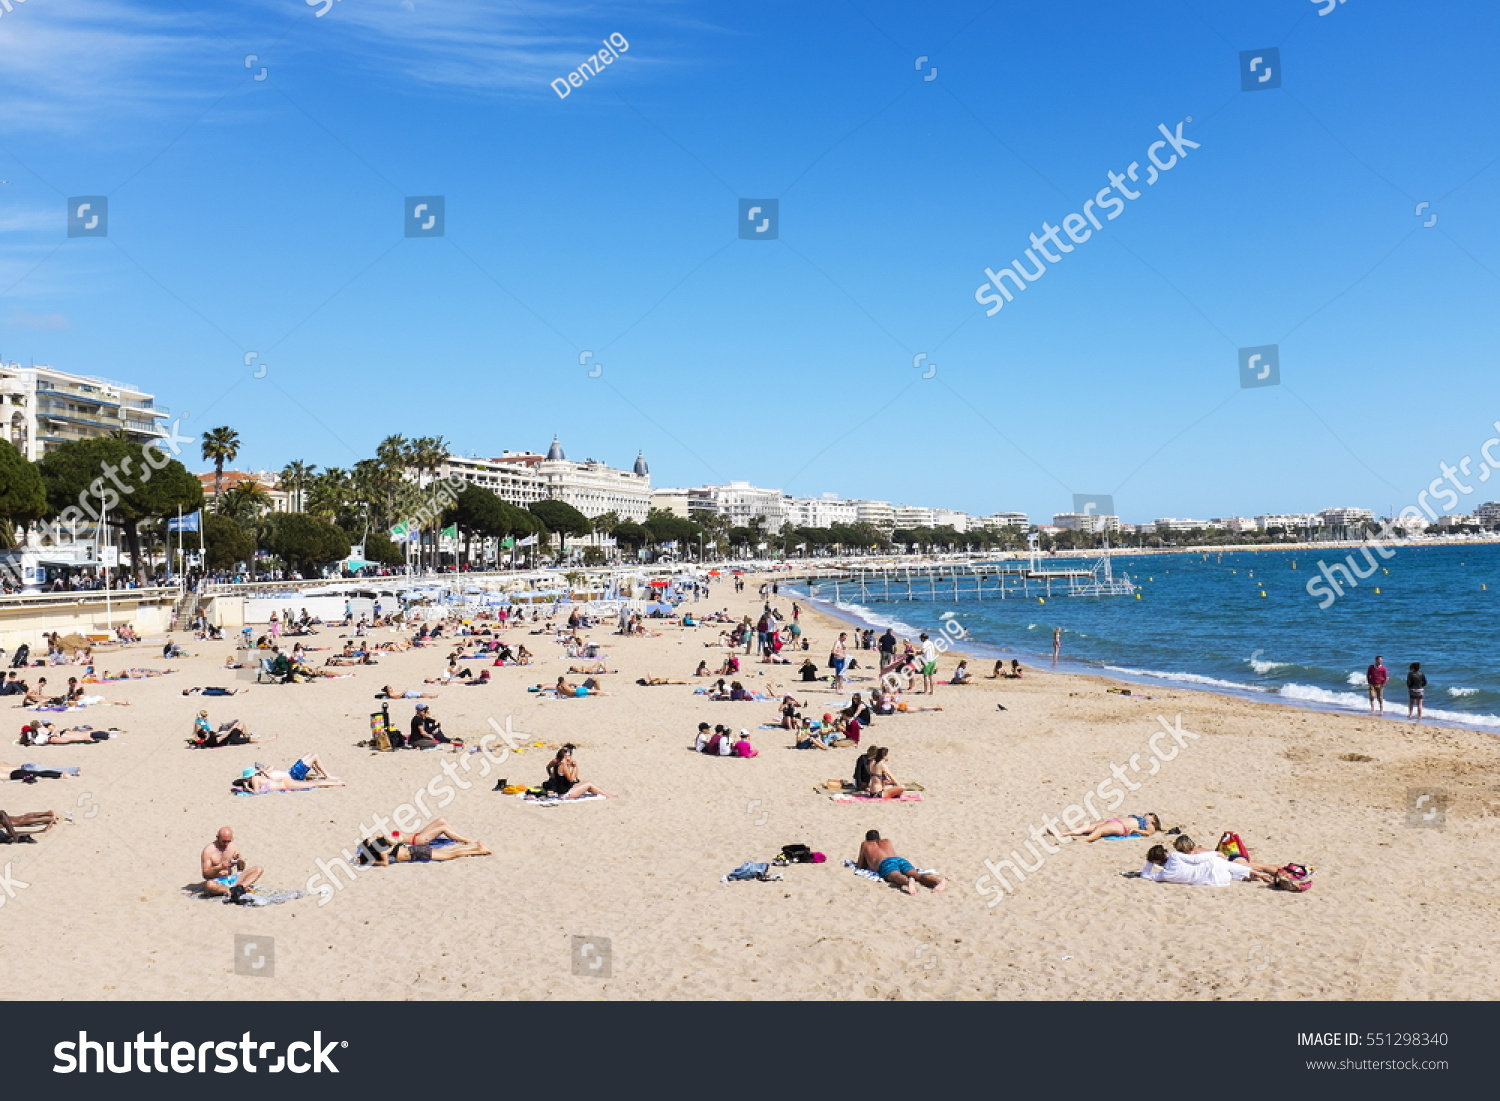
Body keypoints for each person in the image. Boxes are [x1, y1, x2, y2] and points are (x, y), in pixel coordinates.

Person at [356, 820, 491, 864]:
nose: (372, 837)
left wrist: (371, 861)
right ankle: (477, 848)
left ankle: (478, 849)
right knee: (450, 853)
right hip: (416, 848)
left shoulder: (384, 846)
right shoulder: (386, 844)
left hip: (416, 850)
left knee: (450, 854)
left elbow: (385, 862)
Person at [856, 830, 945, 895]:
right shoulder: (887, 841)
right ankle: (938, 882)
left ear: (867, 839)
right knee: (917, 875)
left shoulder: (865, 844)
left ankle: (907, 882)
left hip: (885, 863)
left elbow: (860, 866)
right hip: (899, 859)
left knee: (896, 876)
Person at [1138, 843, 1272, 886]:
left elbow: (1145, 875)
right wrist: (1215, 853)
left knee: (1230, 874)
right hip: (1215, 866)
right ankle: (1256, 873)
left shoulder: (1164, 875)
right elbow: (1196, 859)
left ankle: (1248, 877)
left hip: (1216, 881)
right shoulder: (1175, 856)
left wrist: (1149, 863)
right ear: (1165, 854)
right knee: (1225, 865)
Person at [200, 826, 263, 902]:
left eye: (228, 841)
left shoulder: (233, 846)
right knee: (209, 885)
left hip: (232, 879)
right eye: (224, 841)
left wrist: (240, 861)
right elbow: (206, 874)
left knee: (258, 869)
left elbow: (241, 868)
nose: (226, 844)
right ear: (217, 837)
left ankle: (239, 888)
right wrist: (220, 867)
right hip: (218, 882)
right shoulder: (208, 851)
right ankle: (230, 890)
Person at [542, 744, 612, 799]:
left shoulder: (556, 761)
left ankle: (604, 794)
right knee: (589, 784)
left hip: (561, 791)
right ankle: (606, 795)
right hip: (565, 795)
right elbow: (571, 779)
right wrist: (575, 767)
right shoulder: (563, 765)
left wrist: (551, 775)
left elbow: (548, 767)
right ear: (567, 756)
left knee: (585, 783)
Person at [1057, 813, 1161, 842]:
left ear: (1154, 820)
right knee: (1088, 826)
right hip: (1114, 821)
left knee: (1100, 830)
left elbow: (1149, 833)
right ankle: (1064, 833)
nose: (1147, 814)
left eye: (1150, 814)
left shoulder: (1149, 824)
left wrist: (1135, 830)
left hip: (1121, 826)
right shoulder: (1138, 817)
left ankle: (1085, 840)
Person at [20, 721, 117, 745]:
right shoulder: (40, 729)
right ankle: (108, 733)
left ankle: (90, 738)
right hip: (56, 734)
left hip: (51, 738)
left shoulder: (31, 734)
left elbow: (28, 742)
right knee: (80, 734)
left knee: (74, 738)